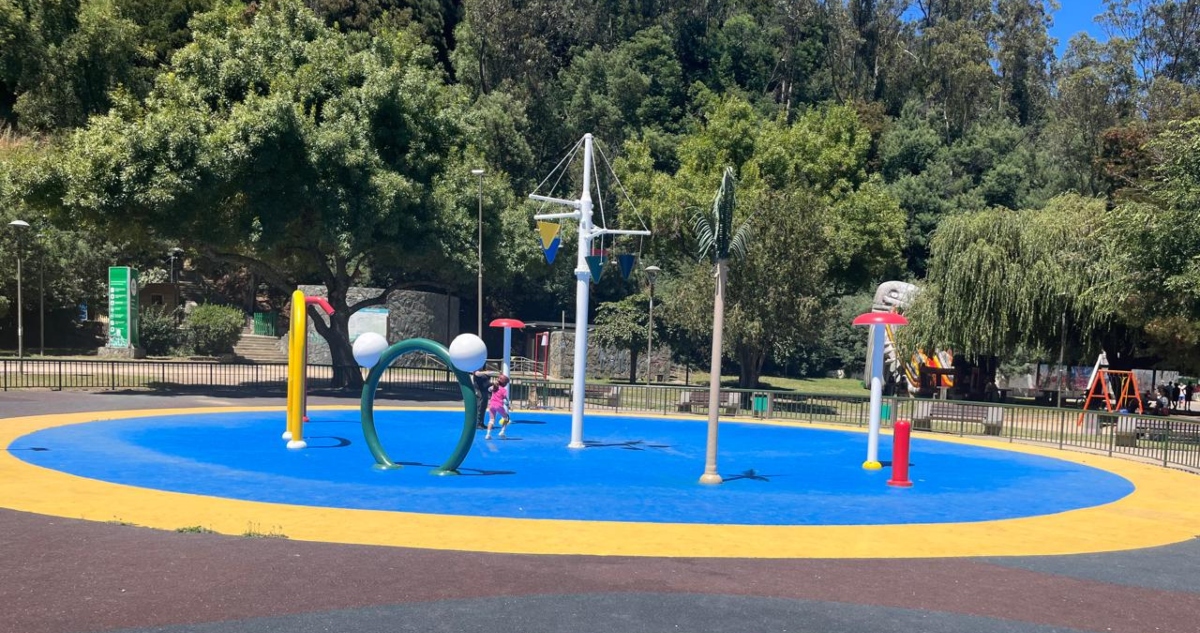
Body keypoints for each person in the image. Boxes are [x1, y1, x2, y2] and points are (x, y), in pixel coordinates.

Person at [485, 374, 511, 440]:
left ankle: (488, 434)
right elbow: (505, 400)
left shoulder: (494, 387)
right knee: (506, 418)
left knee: (491, 420)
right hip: (499, 405)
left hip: (491, 405)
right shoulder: (504, 390)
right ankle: (502, 432)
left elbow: (489, 389)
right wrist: (508, 405)